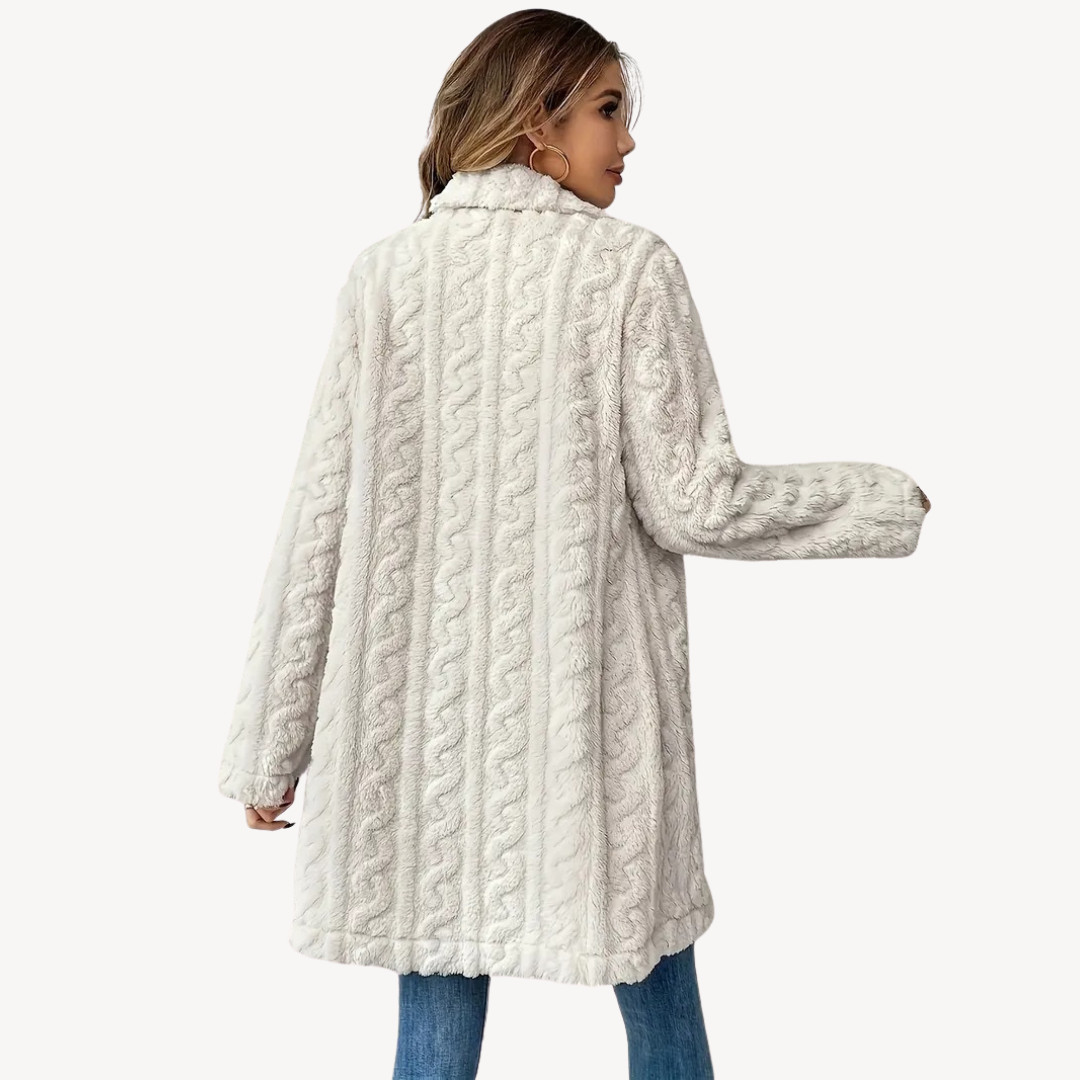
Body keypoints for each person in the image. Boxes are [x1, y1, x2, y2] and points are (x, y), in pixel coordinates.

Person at [219, 10, 931, 1078]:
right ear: (535, 121)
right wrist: (878, 502)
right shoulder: (628, 269)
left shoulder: (389, 275)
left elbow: (318, 515)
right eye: (608, 111)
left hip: (417, 740)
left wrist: (268, 748)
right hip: (592, 732)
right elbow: (696, 502)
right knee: (658, 990)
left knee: (434, 1018)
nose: (628, 141)